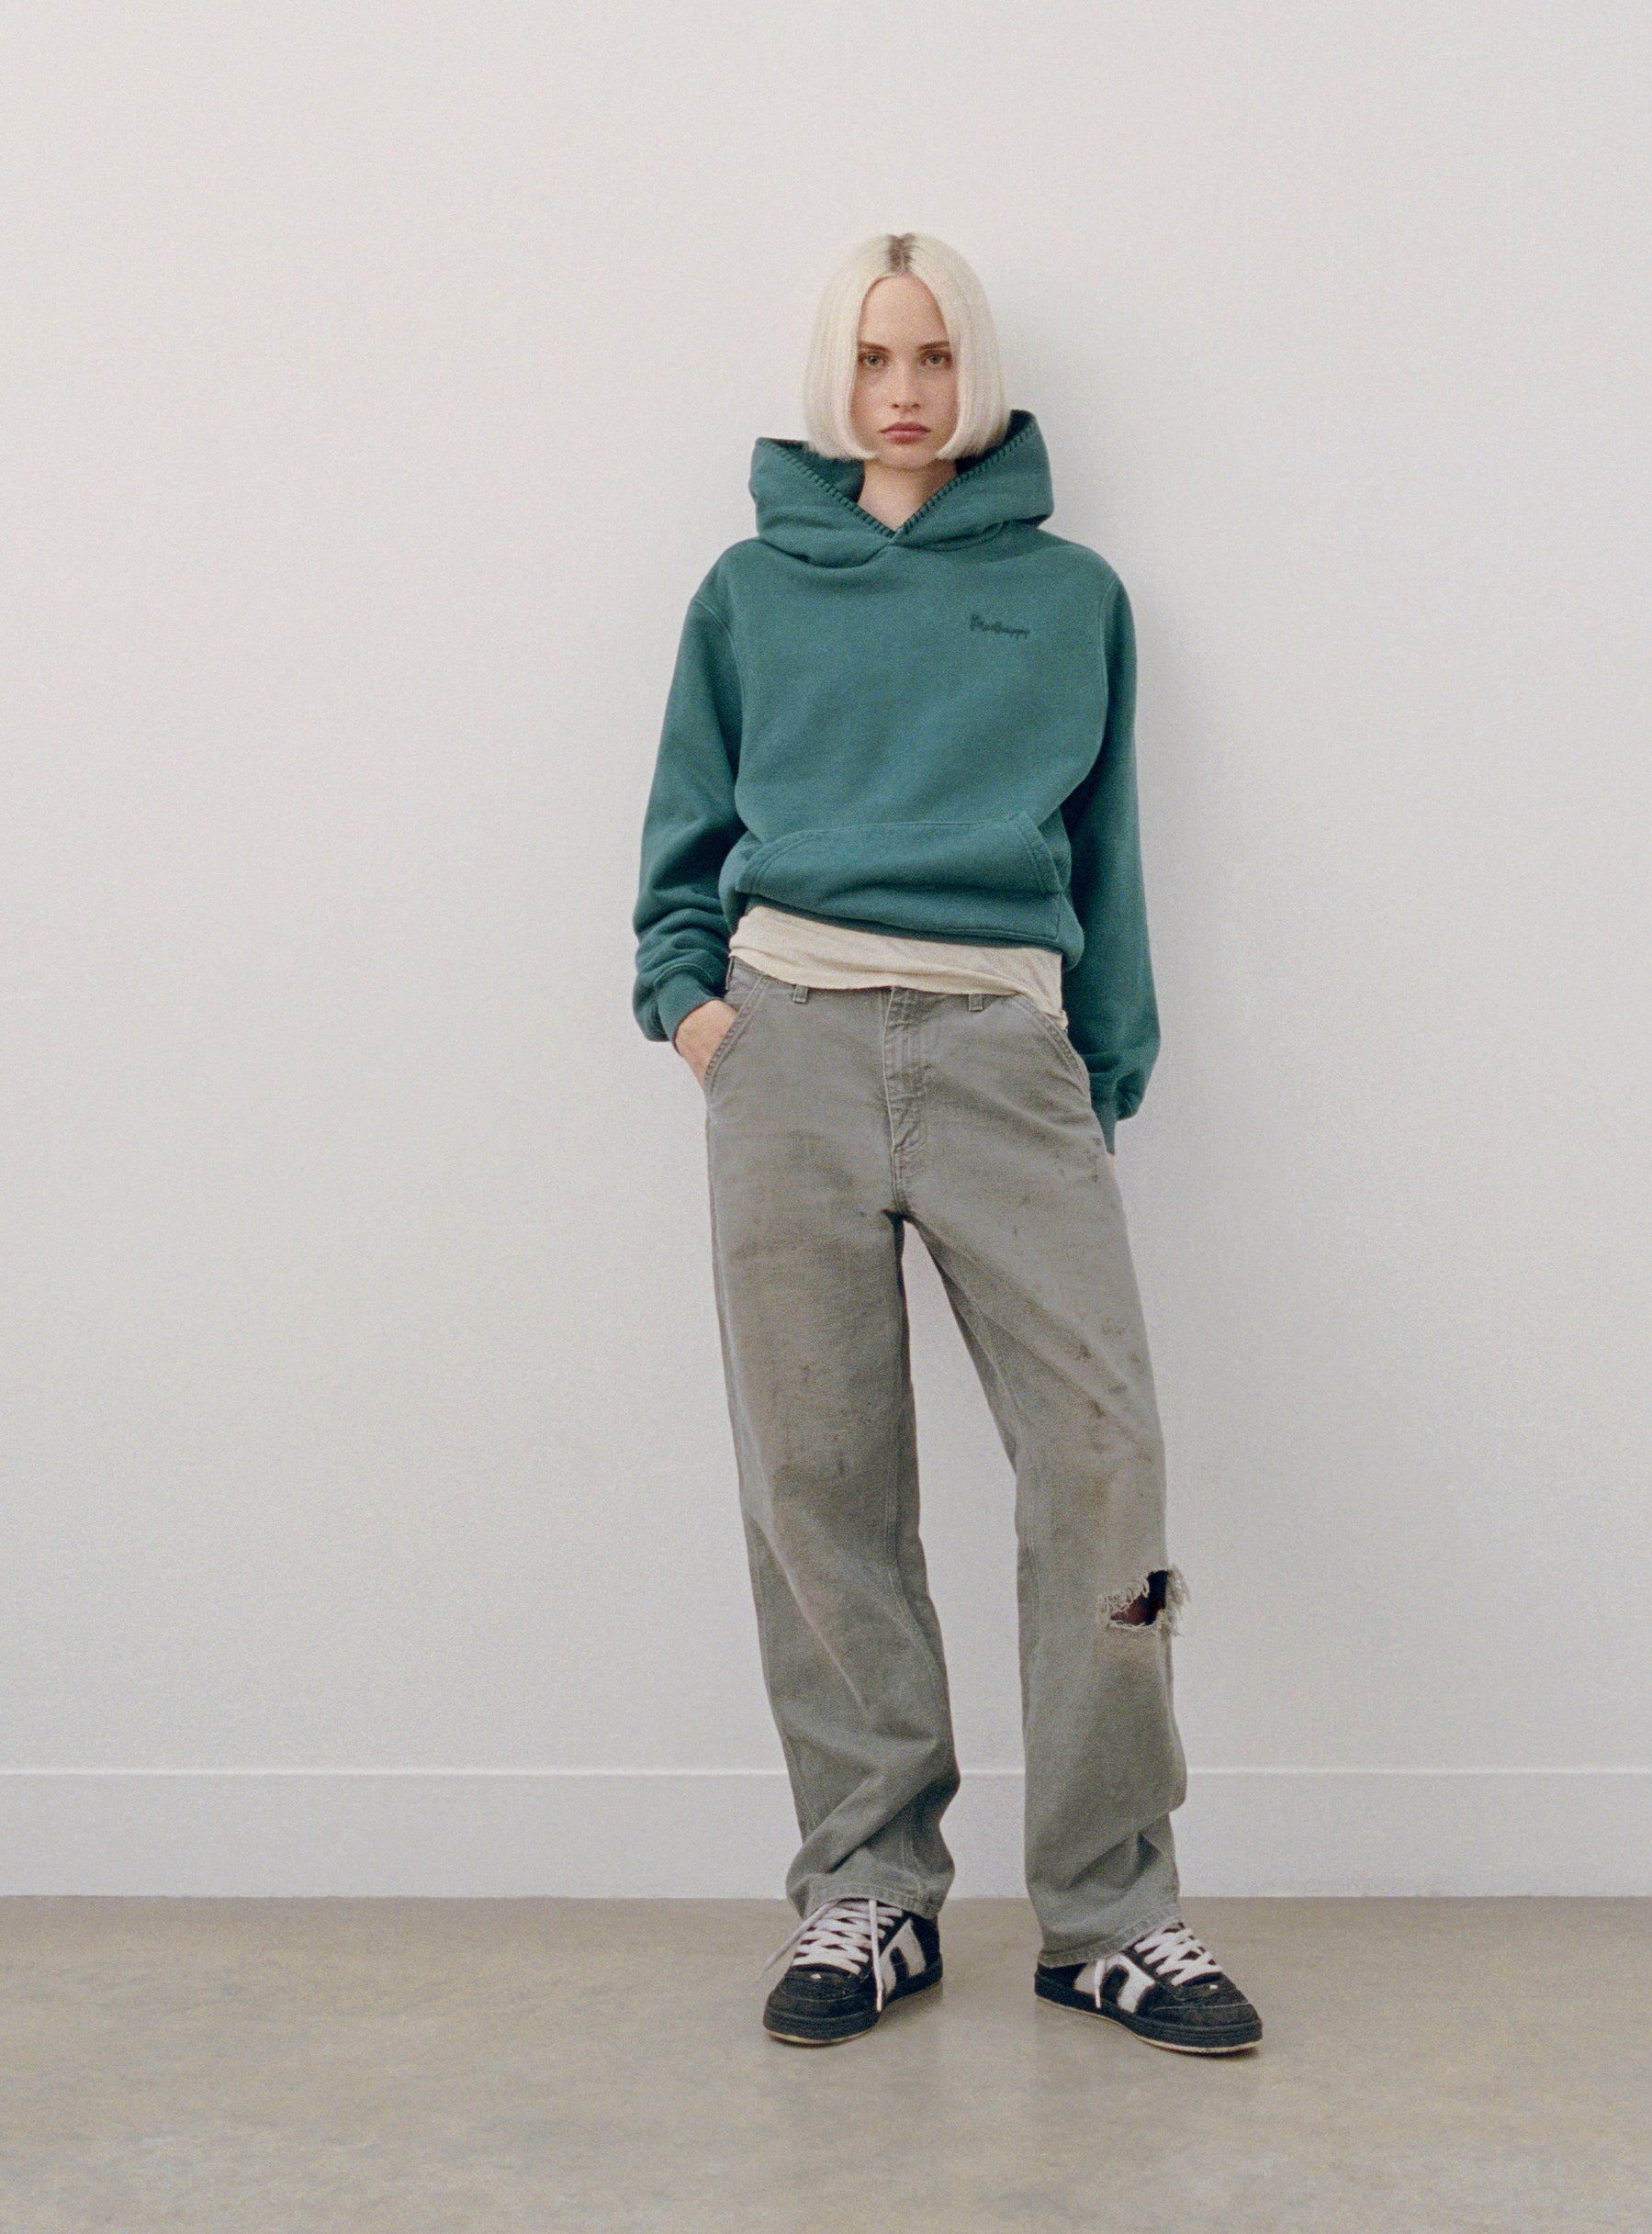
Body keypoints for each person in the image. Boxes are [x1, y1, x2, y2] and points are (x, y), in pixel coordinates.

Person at [629, 232, 1263, 2058]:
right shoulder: (748, 591)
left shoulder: (1069, 596)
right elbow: (680, 835)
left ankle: (1109, 1908)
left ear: (971, 373)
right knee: (819, 1484)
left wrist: (1098, 1071)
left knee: (1103, 1467)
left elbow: (1109, 852)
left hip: (1005, 1054)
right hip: (787, 1045)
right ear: (832, 376)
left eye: (930, 356)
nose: (902, 390)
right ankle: (869, 1887)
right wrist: (695, 1010)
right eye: (871, 356)